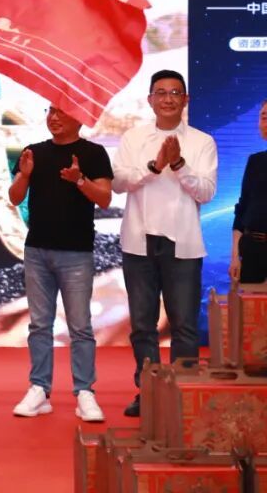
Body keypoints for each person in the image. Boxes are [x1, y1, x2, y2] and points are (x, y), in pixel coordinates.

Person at [112, 70, 217, 417]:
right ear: (150, 100)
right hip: (139, 241)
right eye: (161, 92)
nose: (168, 98)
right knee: (143, 326)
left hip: (182, 243)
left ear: (185, 100)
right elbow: (119, 182)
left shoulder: (202, 142)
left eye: (175, 93)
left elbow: (206, 191)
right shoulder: (133, 138)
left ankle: (183, 395)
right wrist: (155, 166)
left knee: (184, 325)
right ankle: (149, 393)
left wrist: (179, 164)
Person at [8, 105, 112, 422]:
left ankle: (85, 392)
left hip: (76, 253)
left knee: (80, 327)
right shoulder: (34, 152)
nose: (53, 118)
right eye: (50, 111)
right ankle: (39, 389)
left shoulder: (93, 153)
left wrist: (79, 180)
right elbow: (14, 197)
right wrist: (25, 174)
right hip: (37, 251)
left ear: (78, 117)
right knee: (40, 325)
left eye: (61, 112)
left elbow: (104, 198)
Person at [231, 99, 267, 284]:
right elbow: (242, 208)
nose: (265, 120)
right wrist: (235, 255)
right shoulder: (255, 161)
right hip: (253, 250)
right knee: (250, 302)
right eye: (263, 116)